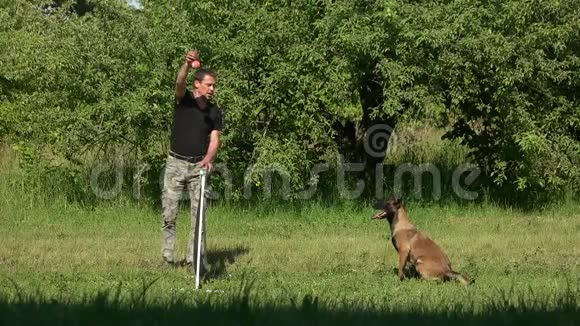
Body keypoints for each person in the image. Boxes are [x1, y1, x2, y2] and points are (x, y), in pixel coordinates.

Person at [161, 50, 222, 273]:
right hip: (175, 164)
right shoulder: (184, 100)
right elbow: (178, 82)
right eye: (209, 84)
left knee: (199, 217)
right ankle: (167, 259)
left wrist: (207, 159)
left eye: (214, 85)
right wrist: (186, 64)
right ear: (197, 84)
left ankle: (193, 260)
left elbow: (215, 139)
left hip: (199, 168)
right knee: (169, 214)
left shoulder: (215, 111)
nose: (213, 89)